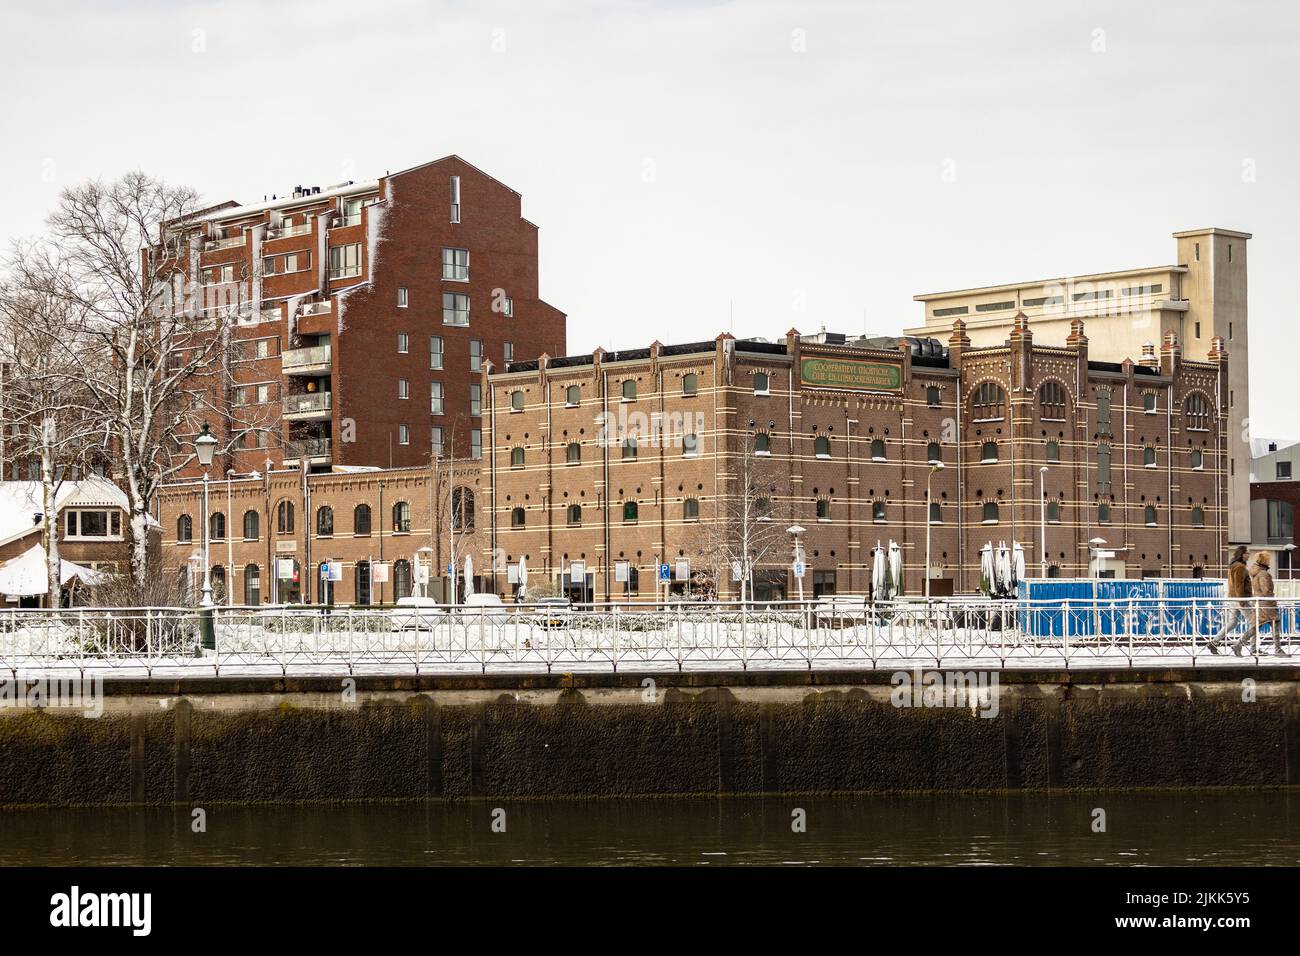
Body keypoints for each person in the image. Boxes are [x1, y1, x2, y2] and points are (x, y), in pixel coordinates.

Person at [1233, 551, 1288, 657]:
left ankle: (1238, 644)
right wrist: (1273, 601)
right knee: (1275, 624)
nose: (1269, 561)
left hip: (1260, 603)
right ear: (1265, 561)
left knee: (1256, 626)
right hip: (1267, 604)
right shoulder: (1264, 574)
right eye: (1268, 559)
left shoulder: (1256, 573)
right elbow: (1266, 590)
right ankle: (1278, 650)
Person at [1206, 546, 1250, 655]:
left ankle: (1214, 642)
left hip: (1233, 598)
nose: (1249, 554)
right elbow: (1238, 585)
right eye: (1247, 553)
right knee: (1254, 623)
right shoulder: (1239, 567)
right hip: (1240, 599)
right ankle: (1248, 648)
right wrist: (1242, 601)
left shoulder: (1233, 566)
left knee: (1232, 623)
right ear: (1243, 554)